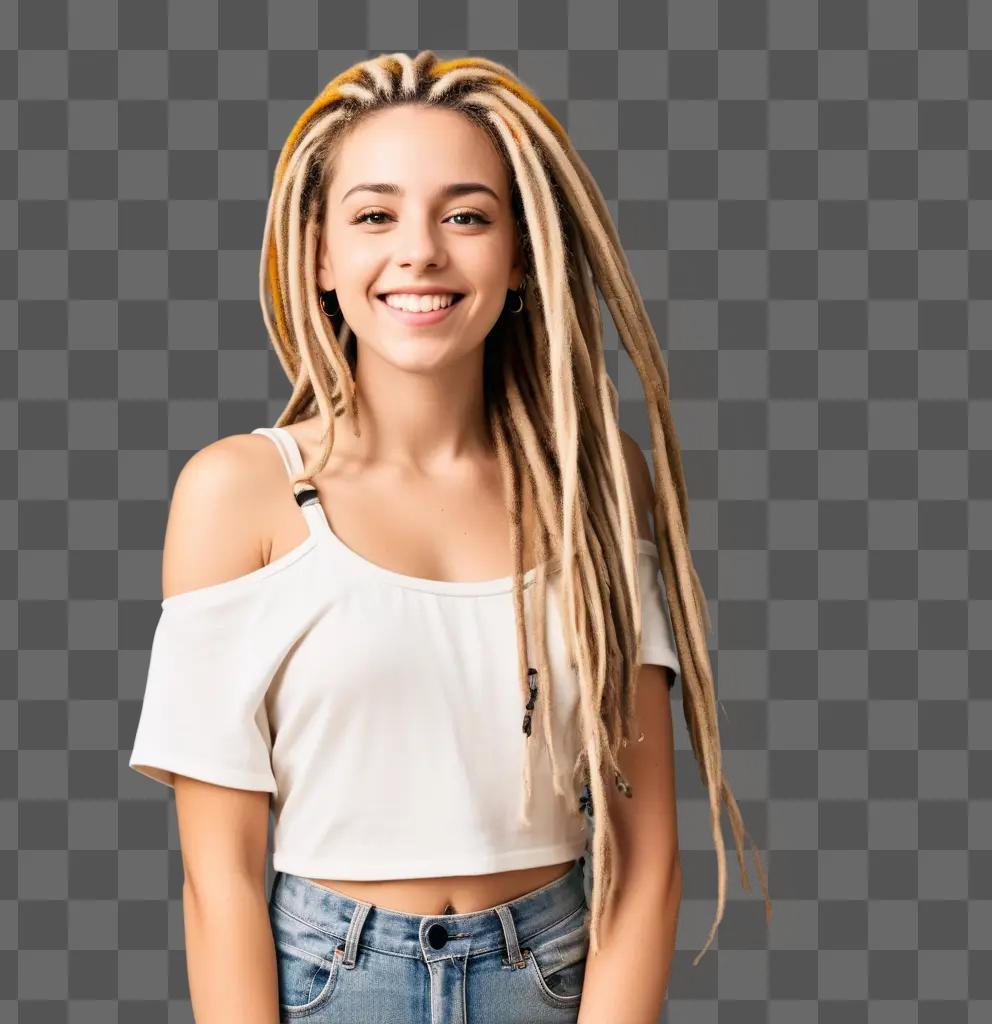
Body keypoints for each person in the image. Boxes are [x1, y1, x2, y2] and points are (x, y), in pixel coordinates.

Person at [128, 50, 771, 1023]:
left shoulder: (597, 485)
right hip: (326, 982)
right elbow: (217, 883)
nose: (420, 252)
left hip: (551, 976)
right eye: (375, 215)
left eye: (465, 214)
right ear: (319, 254)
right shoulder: (240, 495)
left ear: (517, 253)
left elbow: (645, 862)